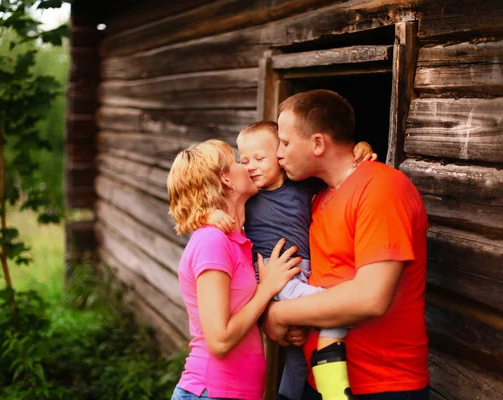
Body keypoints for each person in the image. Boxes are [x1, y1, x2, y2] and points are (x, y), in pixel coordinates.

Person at [263, 89, 430, 400]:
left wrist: (280, 314)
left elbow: (370, 298)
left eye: (285, 143)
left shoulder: (382, 188)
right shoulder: (319, 196)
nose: (278, 153)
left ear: (317, 143)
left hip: (381, 385)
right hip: (322, 381)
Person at [208, 122, 375, 400]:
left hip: (303, 271)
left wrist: (360, 149)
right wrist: (210, 216)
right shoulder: (249, 196)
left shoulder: (302, 185)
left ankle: (287, 395)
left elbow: (337, 170)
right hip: (274, 275)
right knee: (335, 307)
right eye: (244, 160)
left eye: (260, 159)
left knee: (297, 353)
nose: (250, 167)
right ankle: (335, 388)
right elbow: (207, 205)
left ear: (281, 157)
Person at [167, 139, 303, 400]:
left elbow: (242, 314)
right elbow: (219, 341)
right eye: (239, 162)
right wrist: (266, 288)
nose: (248, 167)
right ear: (226, 179)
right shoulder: (212, 241)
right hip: (211, 391)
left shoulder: (237, 239)